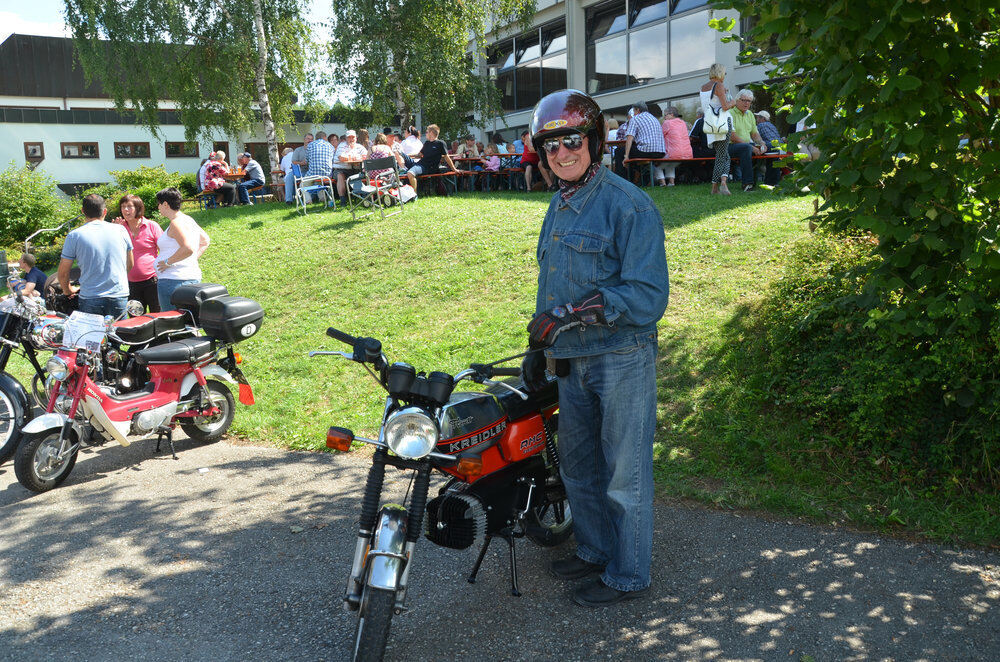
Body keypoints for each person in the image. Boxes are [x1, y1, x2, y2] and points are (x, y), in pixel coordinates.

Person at [523, 89, 668, 608]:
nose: (562, 153)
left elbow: (649, 295)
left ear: (593, 141)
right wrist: (536, 346)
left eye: (571, 141)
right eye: (551, 145)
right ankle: (595, 549)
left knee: (622, 474)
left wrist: (569, 314)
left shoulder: (629, 205)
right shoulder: (558, 205)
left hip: (620, 357)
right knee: (578, 467)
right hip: (571, 362)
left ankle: (629, 575)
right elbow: (551, 283)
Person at [58, 194, 134, 318]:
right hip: (118, 294)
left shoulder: (74, 235)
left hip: (90, 296)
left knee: (92, 336)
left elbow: (63, 273)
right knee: (120, 334)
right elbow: (130, 263)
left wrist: (68, 290)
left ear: (83, 212)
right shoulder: (121, 230)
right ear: (105, 211)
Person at [154, 188, 210, 312]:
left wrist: (168, 262)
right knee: (190, 322)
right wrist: (190, 260)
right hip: (190, 278)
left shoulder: (176, 223)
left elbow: (188, 248)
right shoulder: (188, 219)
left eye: (159, 204)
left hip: (173, 281)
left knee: (172, 324)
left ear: (165, 204)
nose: (158, 207)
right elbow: (205, 240)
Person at [114, 194, 163, 312]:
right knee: (136, 318)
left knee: (157, 316)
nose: (125, 210)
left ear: (138, 208)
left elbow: (164, 248)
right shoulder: (119, 228)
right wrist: (115, 232)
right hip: (129, 283)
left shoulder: (151, 226)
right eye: (123, 207)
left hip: (152, 281)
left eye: (129, 206)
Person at [701, 63, 737, 195]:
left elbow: (710, 105)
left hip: (710, 125)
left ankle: (723, 183)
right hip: (722, 123)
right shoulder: (719, 85)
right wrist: (734, 102)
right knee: (722, 156)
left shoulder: (704, 87)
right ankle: (716, 186)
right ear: (720, 73)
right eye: (725, 73)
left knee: (724, 155)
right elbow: (725, 107)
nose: (725, 76)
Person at [613, 102, 666, 183]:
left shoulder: (635, 119)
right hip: (660, 152)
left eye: (634, 111)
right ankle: (641, 181)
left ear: (638, 110)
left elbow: (629, 138)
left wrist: (626, 156)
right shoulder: (654, 118)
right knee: (634, 154)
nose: (634, 113)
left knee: (619, 151)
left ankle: (621, 181)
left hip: (647, 151)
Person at [728, 89, 768, 192]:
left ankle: (772, 182)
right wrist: (751, 147)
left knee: (771, 146)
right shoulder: (729, 113)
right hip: (730, 146)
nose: (746, 103)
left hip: (746, 145)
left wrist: (761, 143)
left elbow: (754, 134)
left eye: (749, 101)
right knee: (746, 148)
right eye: (744, 100)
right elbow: (732, 137)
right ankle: (747, 184)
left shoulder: (750, 114)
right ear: (737, 100)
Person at [404, 124, 457, 189]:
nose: (425, 134)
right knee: (400, 154)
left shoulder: (440, 143)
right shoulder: (427, 143)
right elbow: (419, 155)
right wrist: (407, 156)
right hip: (419, 164)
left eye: (426, 132)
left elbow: (446, 157)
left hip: (427, 168)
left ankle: (414, 195)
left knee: (410, 173)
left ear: (431, 133)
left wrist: (454, 169)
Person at [656, 106, 693, 186]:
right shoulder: (683, 123)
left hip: (674, 153)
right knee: (671, 164)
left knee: (657, 166)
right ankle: (671, 182)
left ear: (671, 115)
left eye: (665, 115)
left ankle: (662, 183)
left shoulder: (667, 123)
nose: (664, 117)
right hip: (687, 154)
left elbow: (660, 135)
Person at [333, 130, 369, 205]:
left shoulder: (359, 147)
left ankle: (362, 196)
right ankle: (343, 200)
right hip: (340, 169)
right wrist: (354, 158)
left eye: (353, 137)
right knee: (340, 176)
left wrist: (359, 158)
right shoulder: (342, 145)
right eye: (349, 137)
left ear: (356, 138)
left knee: (360, 174)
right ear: (346, 138)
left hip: (355, 169)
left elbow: (367, 156)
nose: (351, 139)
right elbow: (341, 158)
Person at [305, 130, 336, 204]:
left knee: (303, 184)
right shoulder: (330, 146)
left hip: (313, 174)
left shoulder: (310, 145)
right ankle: (322, 198)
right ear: (325, 137)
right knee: (319, 182)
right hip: (327, 175)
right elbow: (333, 160)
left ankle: (308, 200)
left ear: (316, 138)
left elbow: (307, 160)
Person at [754, 110, 783, 186]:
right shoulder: (772, 125)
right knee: (773, 159)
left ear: (762, 118)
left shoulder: (760, 125)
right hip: (781, 146)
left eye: (757, 117)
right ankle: (771, 182)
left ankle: (755, 179)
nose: (756, 120)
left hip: (771, 146)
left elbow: (755, 138)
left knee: (755, 156)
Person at [285, 133, 313, 205]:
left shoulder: (314, 150)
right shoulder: (298, 150)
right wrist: (302, 163)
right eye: (308, 139)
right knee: (288, 177)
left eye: (311, 139)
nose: (310, 140)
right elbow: (293, 162)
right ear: (304, 140)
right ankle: (289, 200)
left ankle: (312, 198)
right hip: (300, 171)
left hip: (310, 171)